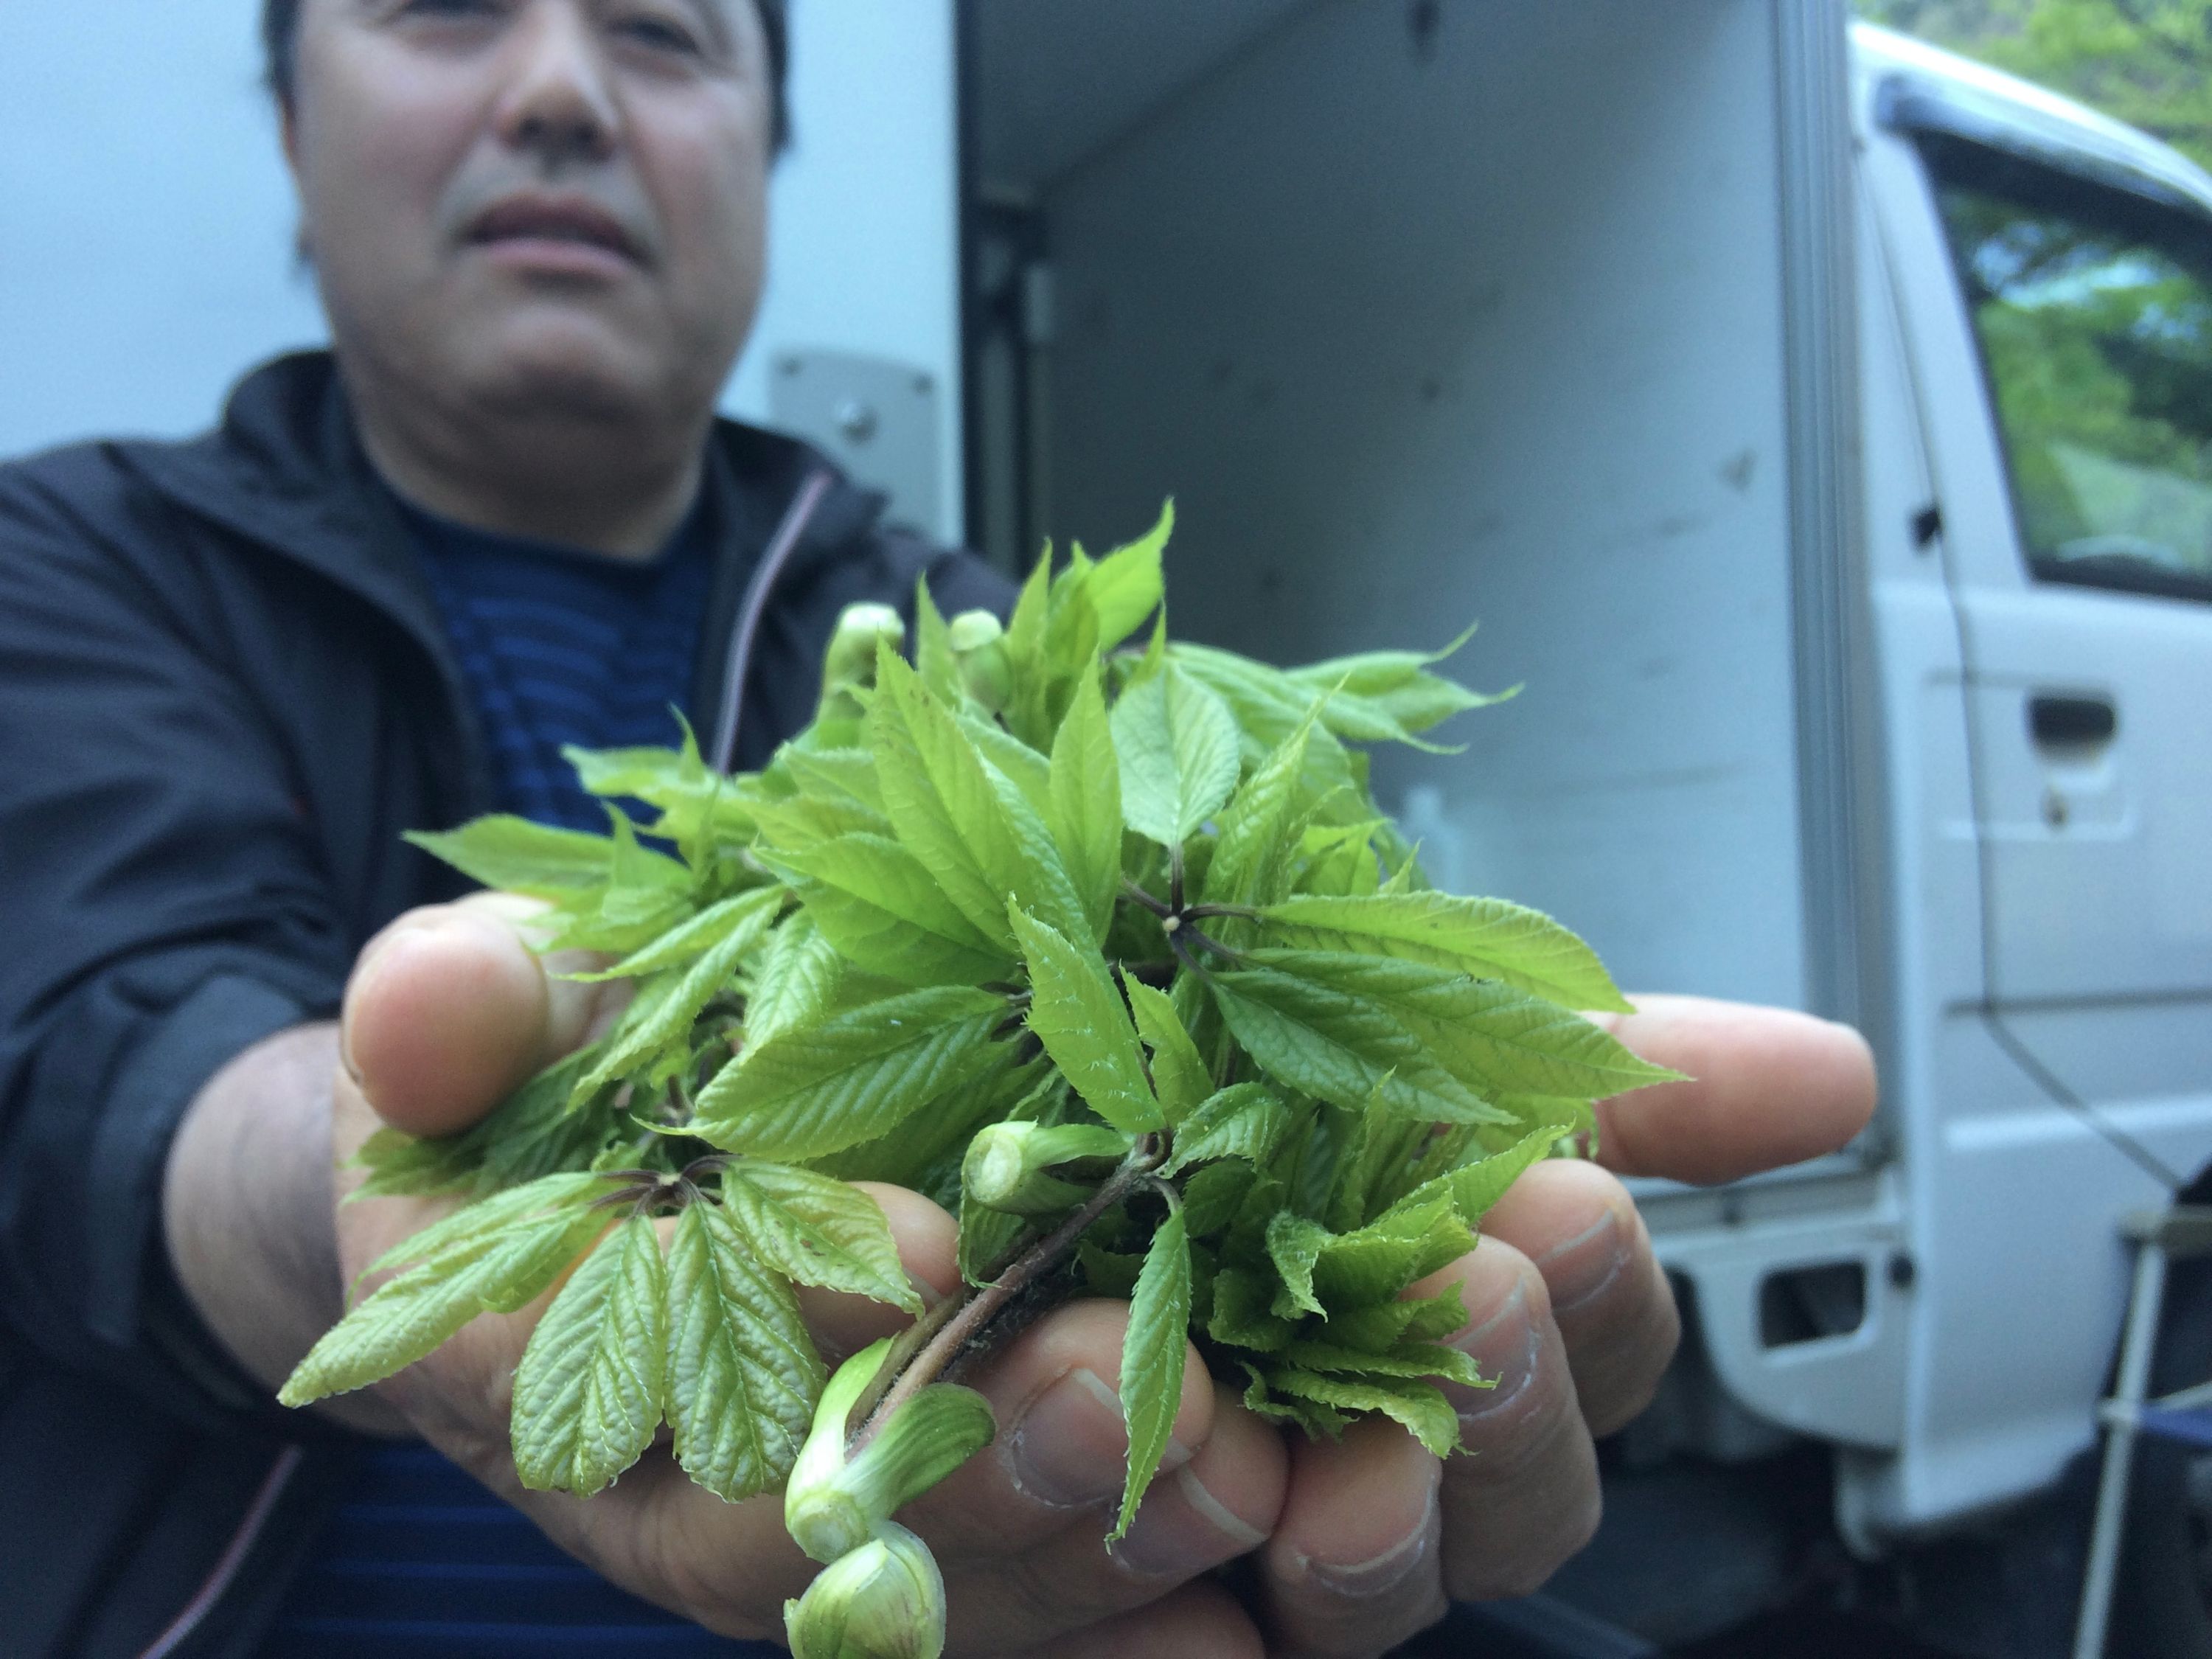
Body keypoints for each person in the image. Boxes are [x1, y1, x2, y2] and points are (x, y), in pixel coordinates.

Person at [0, 1, 1878, 1654]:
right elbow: (88, 1054)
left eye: (664, 33)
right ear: (289, 125)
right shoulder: (68, 566)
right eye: (445, 8)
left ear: (765, 151)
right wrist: (326, 1183)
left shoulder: (975, 656)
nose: (561, 86)